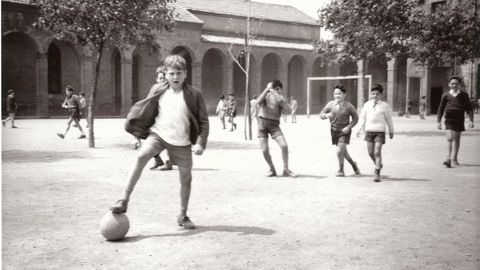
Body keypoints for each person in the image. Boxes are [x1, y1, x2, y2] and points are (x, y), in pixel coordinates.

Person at [110, 55, 209, 230]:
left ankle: (182, 215)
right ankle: (124, 200)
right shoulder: (157, 89)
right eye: (171, 73)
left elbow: (203, 122)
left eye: (179, 73)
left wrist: (200, 143)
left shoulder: (195, 94)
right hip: (158, 135)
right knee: (141, 157)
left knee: (186, 179)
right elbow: (143, 111)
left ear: (185, 74)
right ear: (166, 74)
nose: (175, 77)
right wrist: (136, 136)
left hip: (182, 142)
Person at [255, 79, 296, 177]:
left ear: (281, 90)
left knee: (284, 146)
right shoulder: (266, 96)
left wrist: (274, 92)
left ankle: (286, 169)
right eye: (274, 88)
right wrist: (267, 89)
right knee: (264, 150)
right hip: (262, 124)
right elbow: (258, 101)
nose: (276, 91)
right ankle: (272, 169)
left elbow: (288, 110)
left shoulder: (280, 99)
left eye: (278, 89)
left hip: (274, 125)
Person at [356, 84, 394, 182]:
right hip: (369, 132)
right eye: (372, 94)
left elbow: (389, 119)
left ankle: (377, 172)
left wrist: (391, 130)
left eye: (377, 94)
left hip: (380, 132)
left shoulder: (384, 106)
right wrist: (358, 129)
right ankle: (378, 164)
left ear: (381, 95)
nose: (374, 96)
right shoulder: (367, 105)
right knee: (370, 153)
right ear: (370, 94)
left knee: (377, 152)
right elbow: (362, 118)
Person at [320, 85, 360, 177]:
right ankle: (354, 164)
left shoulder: (348, 106)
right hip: (334, 131)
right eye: (335, 94)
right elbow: (321, 114)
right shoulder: (330, 104)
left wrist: (349, 127)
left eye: (339, 94)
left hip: (344, 131)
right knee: (343, 152)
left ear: (344, 94)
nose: (337, 95)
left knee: (339, 151)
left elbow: (356, 118)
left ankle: (341, 170)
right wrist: (326, 116)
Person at [437, 76, 474, 168]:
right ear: (449, 84)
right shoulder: (445, 95)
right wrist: (438, 121)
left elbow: (469, 108)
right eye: (452, 83)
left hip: (459, 118)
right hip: (449, 118)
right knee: (450, 138)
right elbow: (441, 108)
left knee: (457, 139)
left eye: (456, 84)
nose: (454, 85)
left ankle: (454, 158)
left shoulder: (464, 95)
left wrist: (471, 120)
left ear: (459, 85)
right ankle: (448, 158)